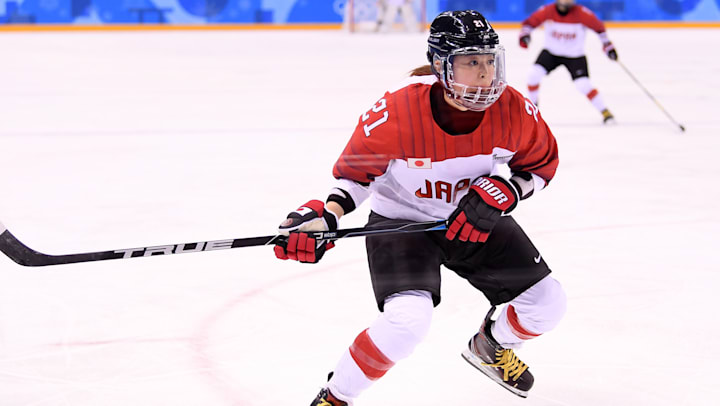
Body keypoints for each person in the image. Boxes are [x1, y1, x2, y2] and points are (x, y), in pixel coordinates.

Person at [274, 10, 567, 405]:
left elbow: (540, 166)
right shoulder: (396, 111)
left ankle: (491, 345)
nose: (484, 74)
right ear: (441, 66)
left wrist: (507, 190)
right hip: (402, 226)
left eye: (488, 60)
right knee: (407, 323)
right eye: (470, 62)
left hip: (470, 221)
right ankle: (335, 397)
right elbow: (356, 178)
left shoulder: (512, 109)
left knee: (547, 304)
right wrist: (326, 216)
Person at [519, 0, 618, 124]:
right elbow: (528, 24)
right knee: (533, 75)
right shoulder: (547, 10)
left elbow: (600, 29)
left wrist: (608, 47)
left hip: (574, 55)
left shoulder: (582, 13)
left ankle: (605, 112)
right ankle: (532, 109)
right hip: (551, 53)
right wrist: (525, 36)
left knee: (583, 84)